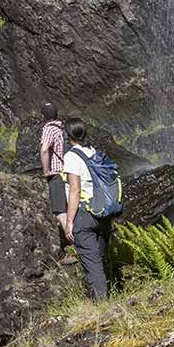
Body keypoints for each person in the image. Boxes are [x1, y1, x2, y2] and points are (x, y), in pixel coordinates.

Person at [61, 118, 115, 300]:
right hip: (104, 213)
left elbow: (74, 190)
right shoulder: (94, 152)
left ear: (68, 135)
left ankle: (101, 312)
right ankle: (105, 295)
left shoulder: (71, 157)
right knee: (98, 259)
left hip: (84, 215)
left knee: (93, 265)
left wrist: (69, 222)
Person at [37, 102, 79, 265]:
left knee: (60, 211)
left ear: (44, 117)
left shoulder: (48, 128)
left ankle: (76, 246)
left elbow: (45, 149)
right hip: (71, 173)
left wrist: (46, 171)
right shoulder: (64, 127)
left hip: (58, 175)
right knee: (72, 208)